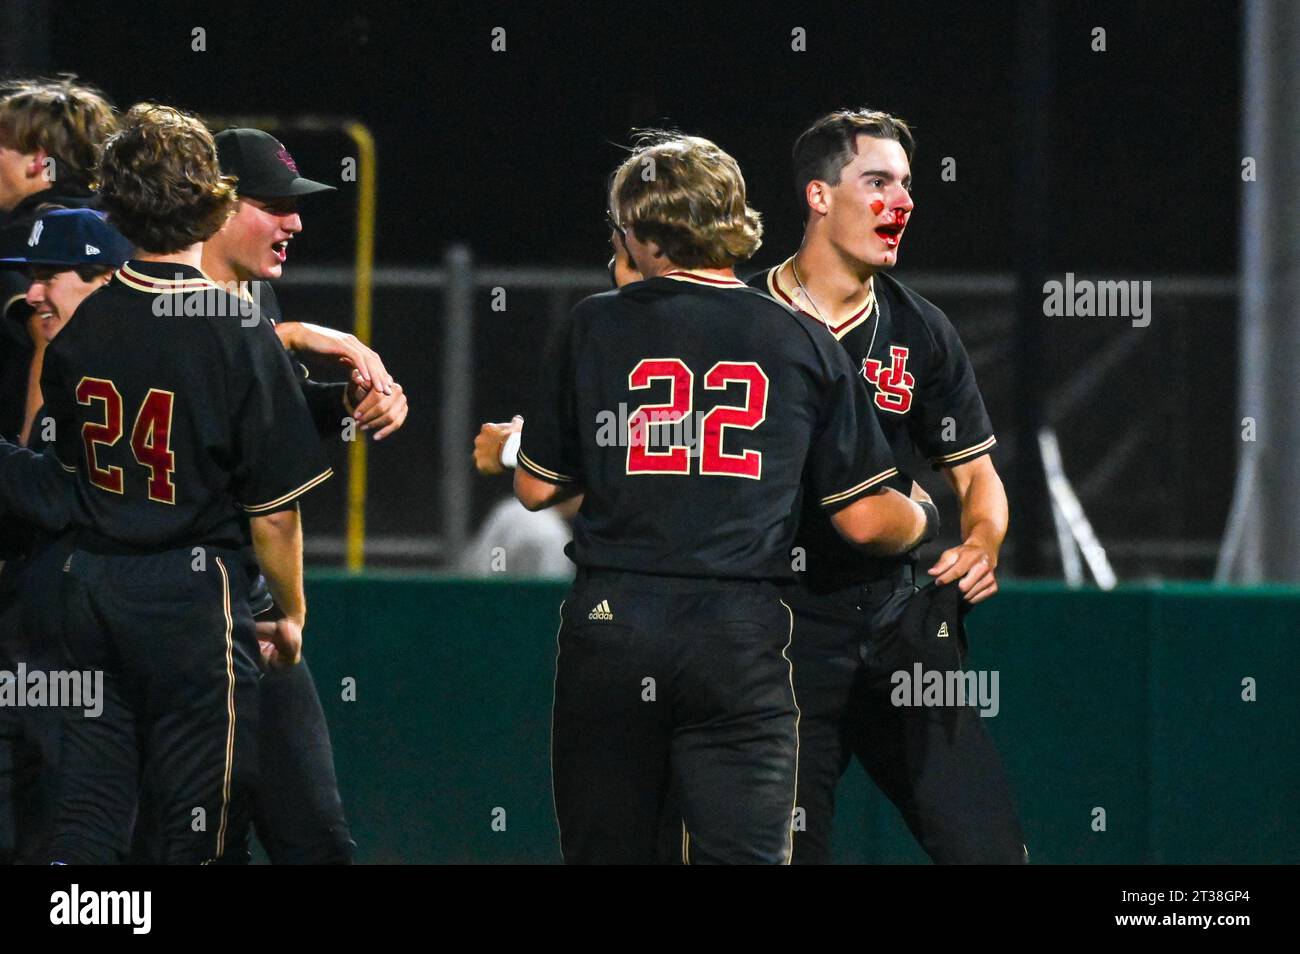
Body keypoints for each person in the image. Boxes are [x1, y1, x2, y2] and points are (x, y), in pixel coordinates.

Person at [514, 130, 933, 864]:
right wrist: (924, 515)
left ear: (641, 235)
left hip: (615, 620)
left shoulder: (592, 324)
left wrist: (504, 449)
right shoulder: (800, 338)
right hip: (737, 633)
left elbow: (538, 485)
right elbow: (868, 519)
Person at [17, 103, 331, 863]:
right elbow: (274, 513)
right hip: (190, 595)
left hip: (86, 588)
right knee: (199, 821)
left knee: (91, 812)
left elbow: (57, 459)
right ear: (214, 201)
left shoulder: (82, 320)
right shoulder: (232, 326)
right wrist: (289, 613)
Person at [746, 107, 1025, 863]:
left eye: (906, 184)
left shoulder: (922, 328)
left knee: (990, 850)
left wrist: (983, 540)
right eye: (877, 181)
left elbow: (978, 474)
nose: (900, 201)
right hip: (781, 630)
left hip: (901, 620)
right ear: (817, 194)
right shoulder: (740, 318)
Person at [0, 206, 132, 863]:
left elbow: (61, 493)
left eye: (51, 276)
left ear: (105, 279)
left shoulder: (132, 365)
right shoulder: (61, 360)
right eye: (31, 275)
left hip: (107, 651)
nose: (33, 292)